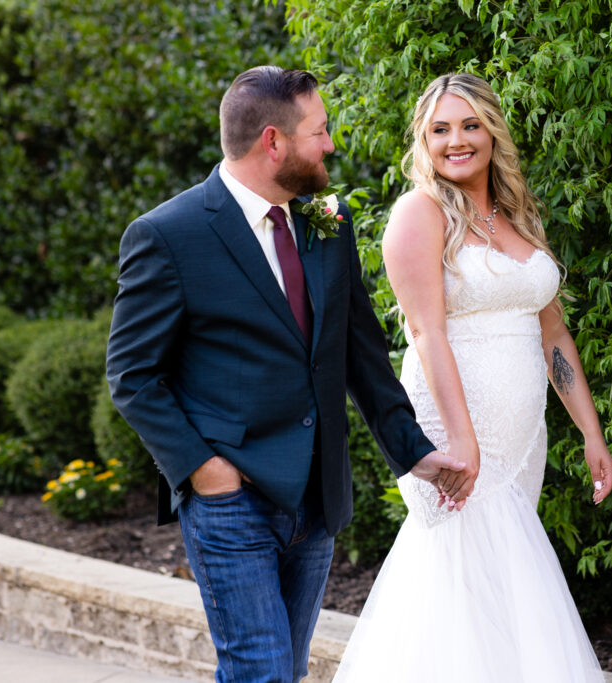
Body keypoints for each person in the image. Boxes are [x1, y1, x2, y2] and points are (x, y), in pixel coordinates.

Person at [105, 66, 470, 683]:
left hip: (316, 499)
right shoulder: (169, 235)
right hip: (231, 502)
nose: (330, 144)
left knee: (285, 672)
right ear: (272, 142)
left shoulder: (326, 220)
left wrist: (415, 453)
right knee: (261, 673)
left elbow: (360, 354)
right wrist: (204, 470)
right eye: (319, 131)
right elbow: (133, 374)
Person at [333, 73, 612, 682]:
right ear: (424, 140)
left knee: (501, 586)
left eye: (469, 125)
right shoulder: (420, 212)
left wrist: (592, 434)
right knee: (459, 579)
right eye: (440, 129)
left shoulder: (517, 215)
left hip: (519, 441)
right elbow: (427, 333)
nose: (456, 140)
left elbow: (555, 336)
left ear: (492, 132)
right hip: (453, 427)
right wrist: (462, 442)